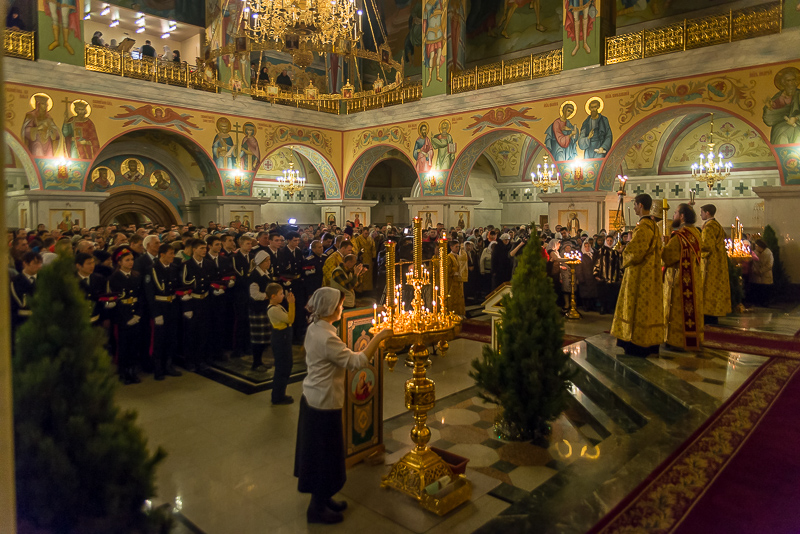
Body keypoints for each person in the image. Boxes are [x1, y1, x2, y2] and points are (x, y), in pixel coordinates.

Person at [294, 287, 393, 524]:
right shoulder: (326, 337)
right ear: (330, 309)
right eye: (339, 305)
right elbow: (357, 362)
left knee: (323, 454)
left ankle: (324, 498)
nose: (342, 307)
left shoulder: (316, 328)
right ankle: (316, 509)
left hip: (313, 397)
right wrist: (378, 337)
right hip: (323, 403)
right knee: (324, 456)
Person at [610, 194, 664, 357]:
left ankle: (635, 344)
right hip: (652, 273)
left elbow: (636, 252)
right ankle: (650, 341)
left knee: (635, 307)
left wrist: (624, 251)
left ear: (640, 205)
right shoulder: (654, 226)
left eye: (634, 204)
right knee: (648, 308)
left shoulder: (643, 227)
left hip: (640, 275)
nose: (633, 207)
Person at [662, 203, 703, 351]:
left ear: (682, 216)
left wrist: (662, 246)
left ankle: (677, 341)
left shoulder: (680, 236)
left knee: (678, 310)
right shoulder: (696, 233)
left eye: (675, 213)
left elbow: (667, 256)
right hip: (694, 278)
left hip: (680, 280)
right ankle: (693, 338)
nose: (673, 216)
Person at [144, 244, 183, 380]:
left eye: (173, 253)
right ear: (162, 255)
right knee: (159, 340)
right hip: (160, 307)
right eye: (170, 254)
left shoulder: (174, 268)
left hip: (172, 307)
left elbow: (177, 287)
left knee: (171, 338)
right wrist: (156, 314)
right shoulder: (152, 270)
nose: (173, 256)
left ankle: (168, 365)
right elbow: (150, 294)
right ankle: (158, 368)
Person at [108, 248, 143, 385]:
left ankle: (132, 370)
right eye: (127, 260)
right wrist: (127, 317)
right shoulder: (114, 278)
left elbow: (140, 297)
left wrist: (138, 314)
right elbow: (115, 300)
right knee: (123, 346)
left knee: (134, 345)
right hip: (122, 318)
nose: (130, 262)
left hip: (136, 316)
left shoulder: (136, 276)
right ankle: (123, 372)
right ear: (119, 262)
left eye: (132, 260)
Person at [699, 204, 731, 324]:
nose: (700, 214)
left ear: (707, 213)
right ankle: (713, 316)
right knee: (715, 290)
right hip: (717, 262)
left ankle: (708, 316)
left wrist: (694, 246)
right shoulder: (717, 225)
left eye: (702, 212)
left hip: (710, 265)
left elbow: (706, 246)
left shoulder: (709, 227)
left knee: (708, 289)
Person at [267, 283, 296, 405]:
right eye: (280, 294)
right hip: (280, 339)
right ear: (273, 296)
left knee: (287, 365)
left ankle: (281, 393)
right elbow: (290, 319)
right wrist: (291, 304)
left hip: (284, 337)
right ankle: (277, 396)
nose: (283, 296)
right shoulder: (273, 309)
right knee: (282, 367)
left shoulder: (277, 306)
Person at [248, 250, 274, 372]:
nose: (269, 263)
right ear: (260, 263)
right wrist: (268, 296)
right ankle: (256, 362)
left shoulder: (266, 273)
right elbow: (254, 294)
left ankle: (260, 361)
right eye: (266, 261)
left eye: (269, 260)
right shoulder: (255, 276)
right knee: (258, 339)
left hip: (265, 308)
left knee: (264, 338)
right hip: (258, 310)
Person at [593, 235, 622, 314]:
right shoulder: (601, 250)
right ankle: (603, 308)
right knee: (603, 294)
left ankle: (609, 308)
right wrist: (596, 274)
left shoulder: (616, 251)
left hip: (613, 277)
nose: (609, 242)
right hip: (603, 277)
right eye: (608, 240)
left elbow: (619, 264)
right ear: (606, 241)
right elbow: (597, 262)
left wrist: (620, 275)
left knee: (611, 294)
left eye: (611, 241)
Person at [750, 239, 774, 306]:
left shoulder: (768, 253)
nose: (755, 247)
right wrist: (755, 270)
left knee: (765, 291)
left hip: (765, 276)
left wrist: (760, 271)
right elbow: (752, 264)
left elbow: (769, 265)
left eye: (757, 246)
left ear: (761, 247)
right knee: (758, 291)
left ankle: (765, 303)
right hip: (756, 277)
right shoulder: (754, 253)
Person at [447, 240, 466, 316]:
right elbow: (448, 269)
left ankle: (459, 313)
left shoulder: (458, 256)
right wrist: (455, 272)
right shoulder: (449, 257)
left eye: (458, 247)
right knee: (452, 298)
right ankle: (452, 313)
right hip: (452, 281)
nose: (457, 248)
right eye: (456, 247)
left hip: (459, 281)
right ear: (451, 247)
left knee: (460, 297)